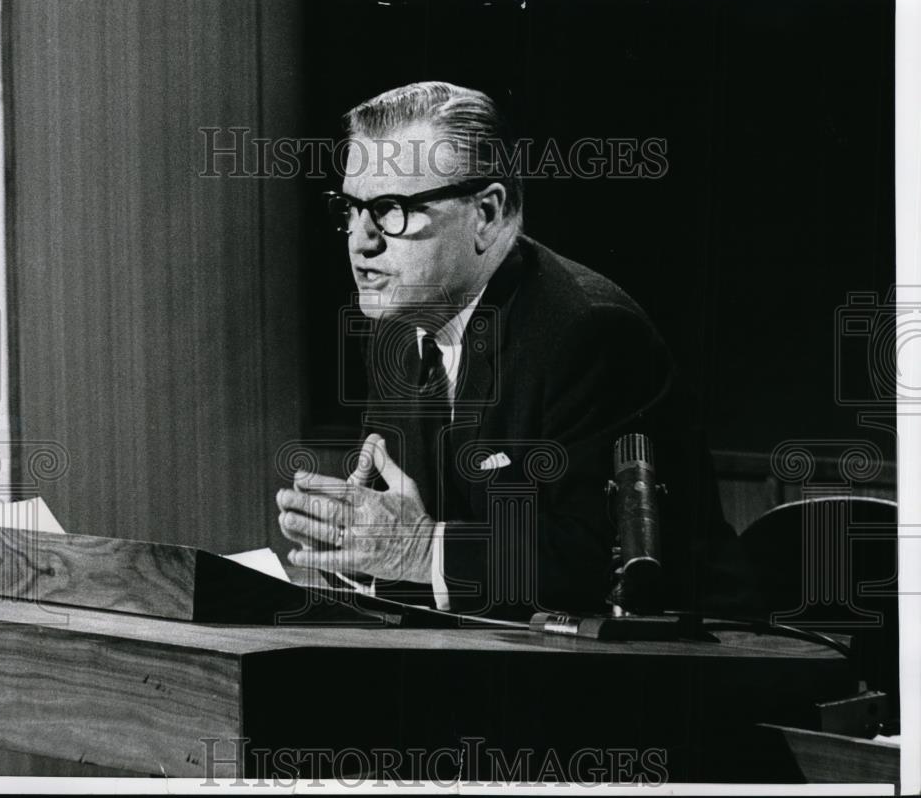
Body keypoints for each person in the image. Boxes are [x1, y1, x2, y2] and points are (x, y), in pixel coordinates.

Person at [276, 81, 736, 620]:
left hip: (689, 666)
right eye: (351, 209)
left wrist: (420, 552)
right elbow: (419, 541)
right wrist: (358, 553)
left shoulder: (589, 332)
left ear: (487, 214)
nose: (360, 240)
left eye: (391, 209)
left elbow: (602, 568)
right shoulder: (399, 332)